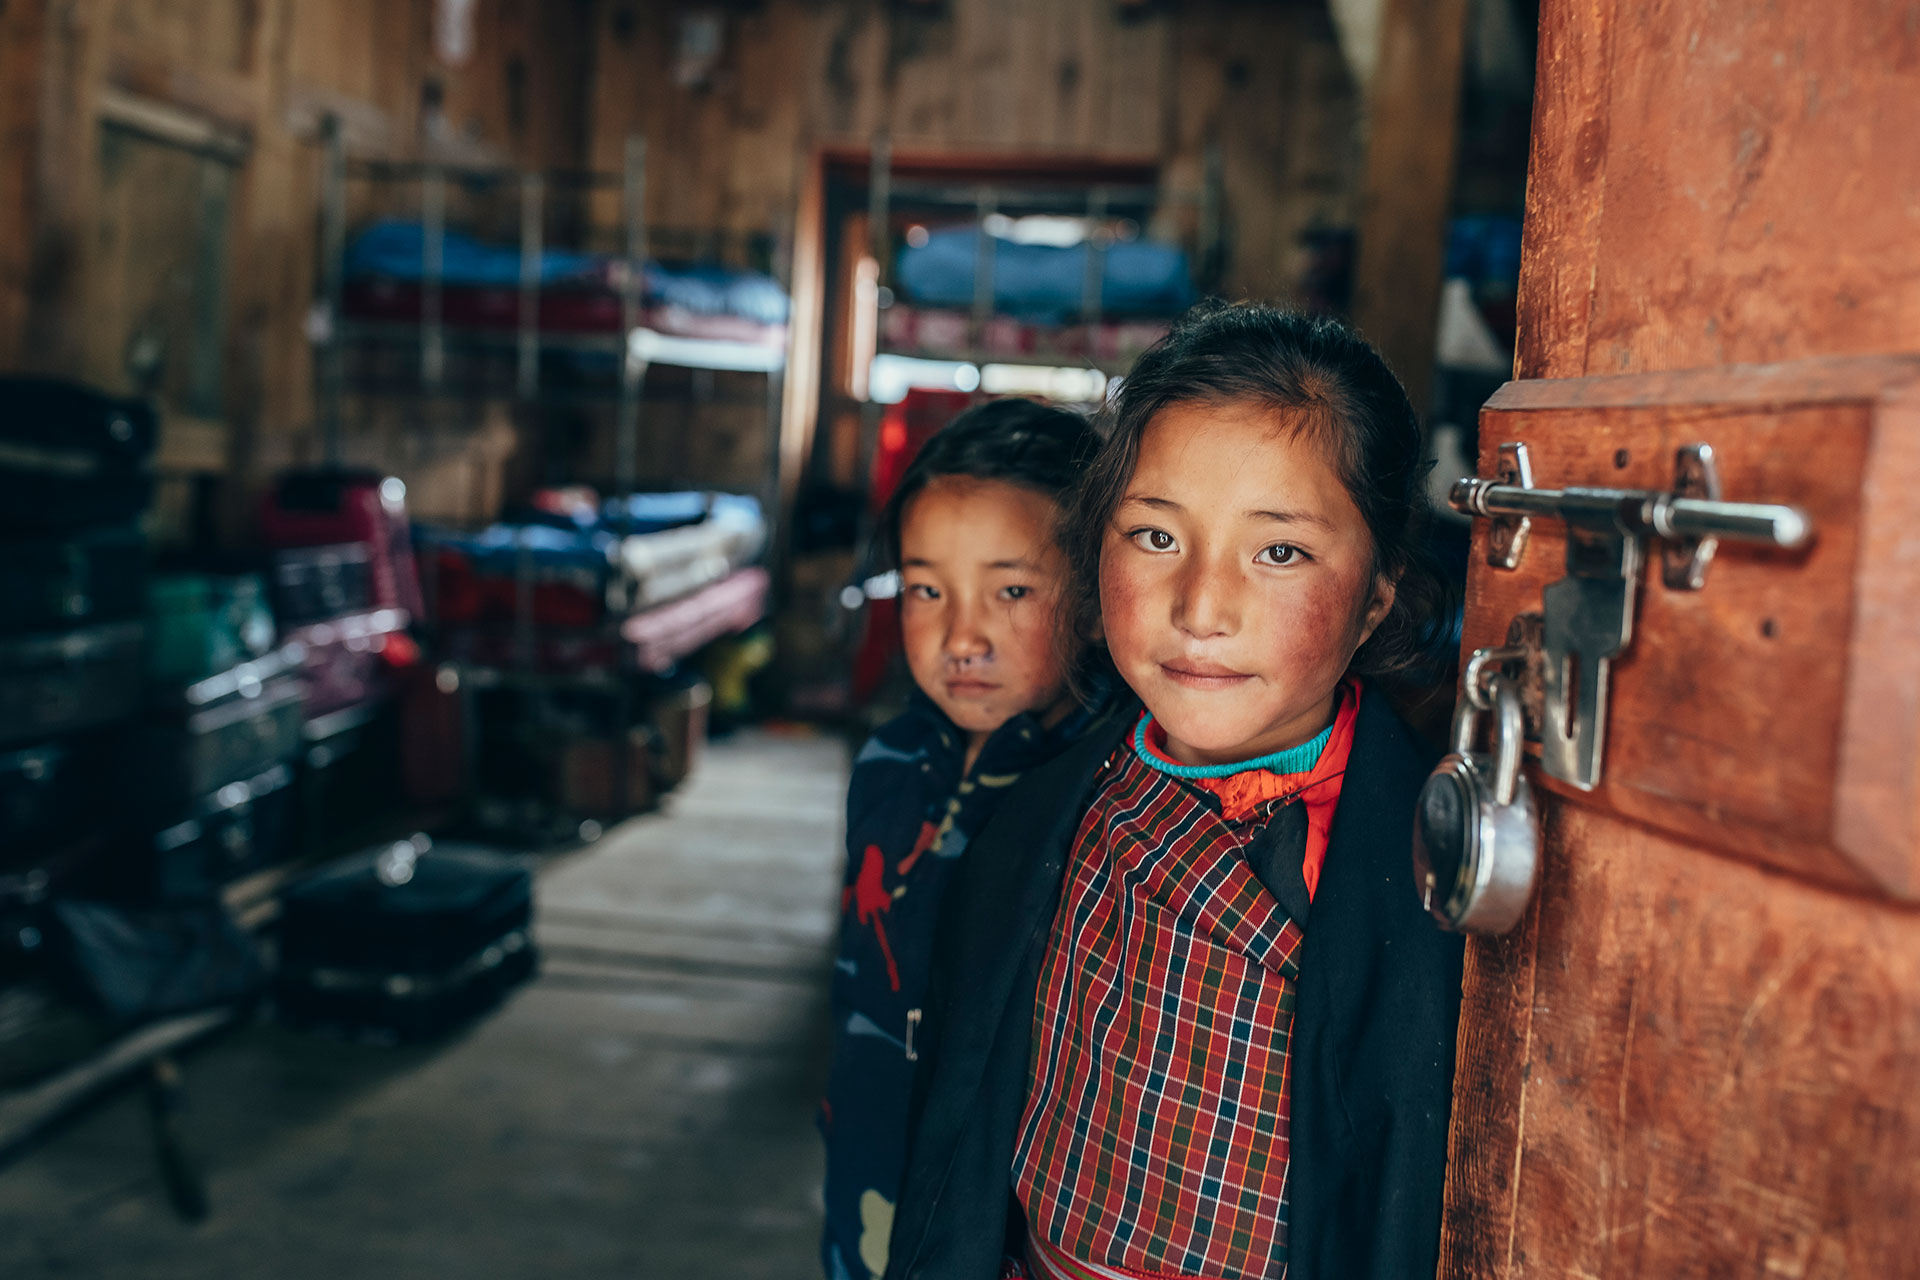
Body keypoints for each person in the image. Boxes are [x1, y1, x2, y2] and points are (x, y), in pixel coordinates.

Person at [883, 301, 1466, 1280]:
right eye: (1155, 536)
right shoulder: (1048, 812)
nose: (1200, 607)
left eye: (1278, 550)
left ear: (1375, 594)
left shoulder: (1415, 882)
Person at [821, 397, 1110, 1280]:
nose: (961, 635)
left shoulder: (1101, 791)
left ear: (1099, 600)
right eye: (925, 589)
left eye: (1012, 589)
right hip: (869, 1161)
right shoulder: (892, 761)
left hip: (996, 1206)